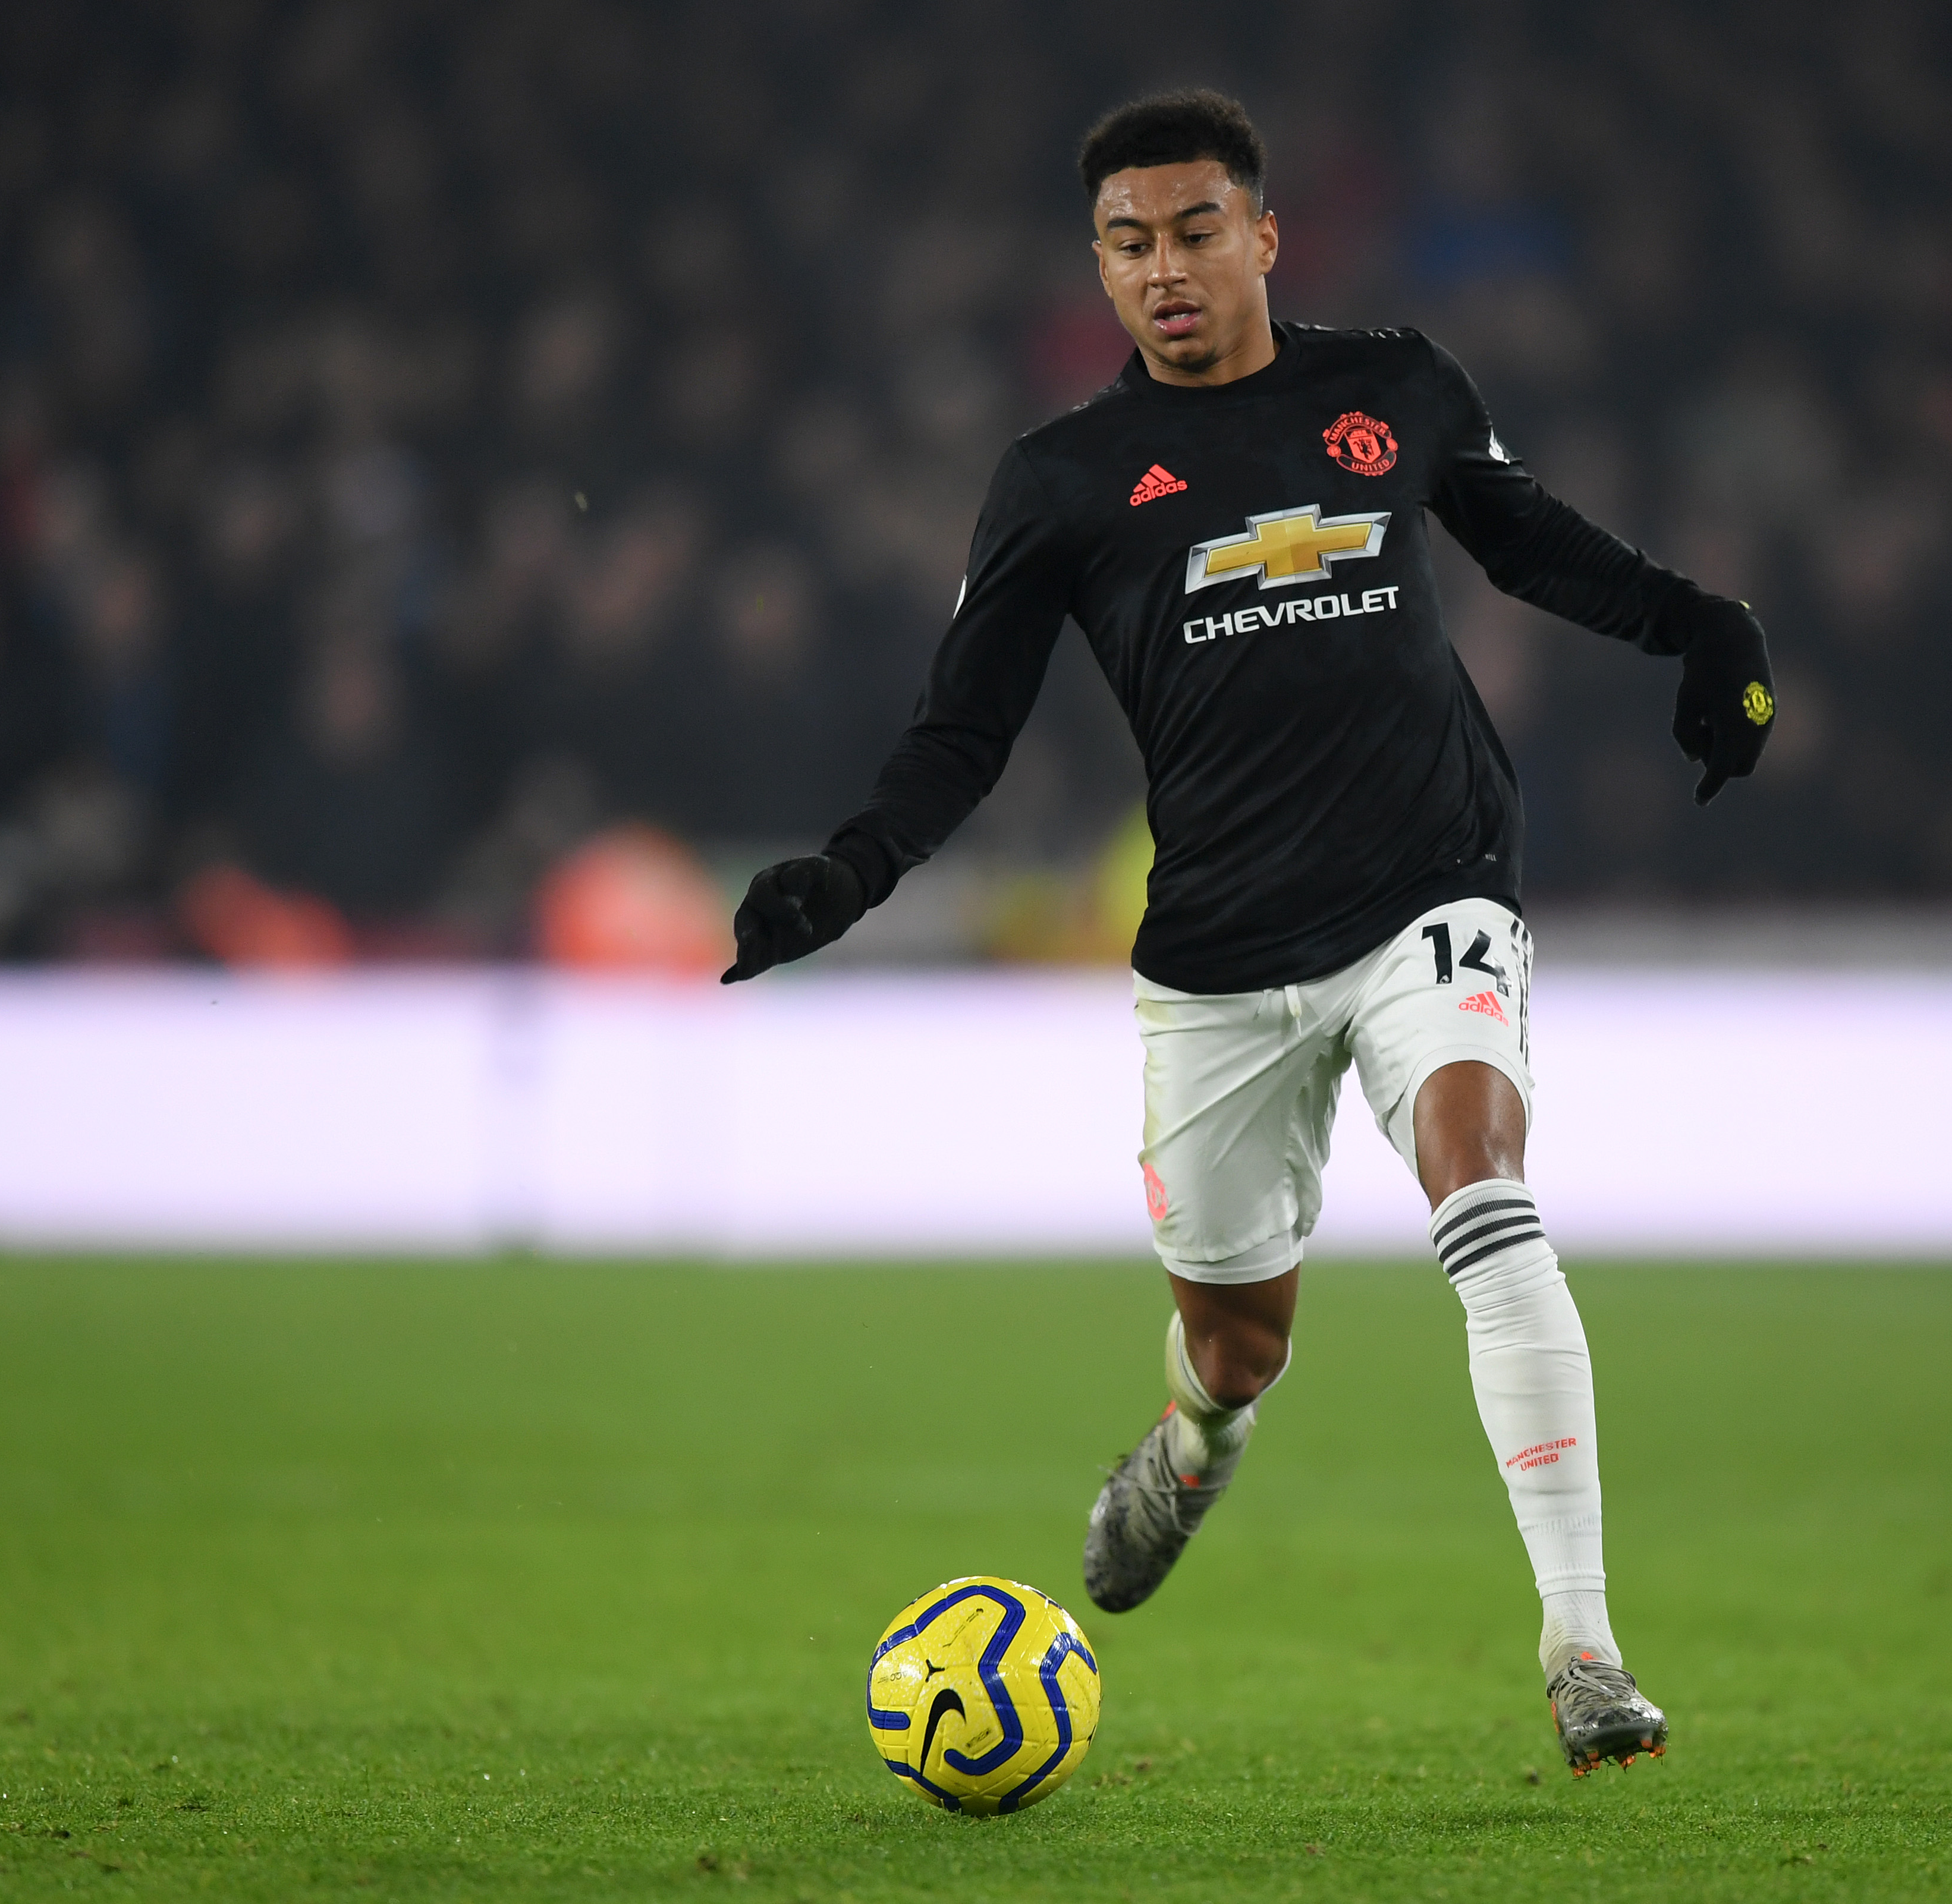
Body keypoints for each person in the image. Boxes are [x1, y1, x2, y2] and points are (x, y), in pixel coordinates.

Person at [722, 89, 1773, 1774]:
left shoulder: (1394, 392)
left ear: (1266, 235)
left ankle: (1584, 1649)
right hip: (1218, 952)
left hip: (1433, 887)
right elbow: (962, 732)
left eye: (1197, 231)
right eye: (1130, 245)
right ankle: (1200, 1434)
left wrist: (1701, 625)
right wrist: (848, 873)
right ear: (1102, 268)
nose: (1168, 272)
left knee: (1484, 1190)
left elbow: (1535, 548)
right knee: (1240, 1336)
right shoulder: (1060, 482)